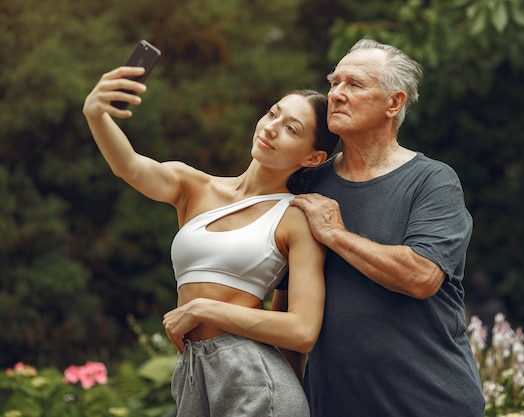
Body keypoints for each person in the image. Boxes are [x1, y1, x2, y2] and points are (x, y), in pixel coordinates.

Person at [83, 65, 339, 416]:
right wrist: (96, 113)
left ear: (312, 158)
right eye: (273, 113)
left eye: (291, 129)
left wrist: (202, 309)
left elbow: (303, 330)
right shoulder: (194, 186)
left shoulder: (295, 217)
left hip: (252, 377)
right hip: (193, 371)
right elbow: (129, 166)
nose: (271, 128)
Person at [287, 38, 486, 416]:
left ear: (394, 103)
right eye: (334, 83)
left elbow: (422, 276)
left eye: (354, 84)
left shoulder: (433, 181)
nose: (336, 95)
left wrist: (335, 235)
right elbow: (286, 309)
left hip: (431, 404)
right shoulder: (307, 183)